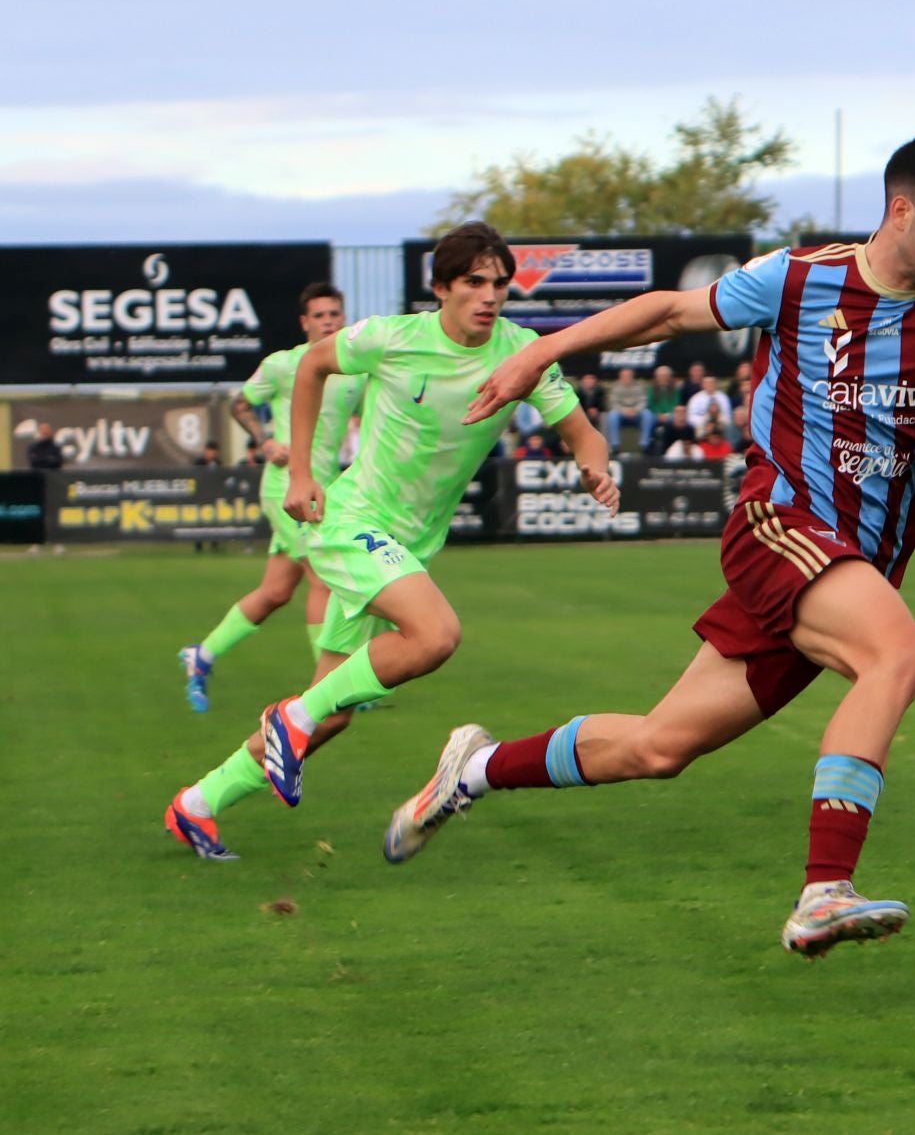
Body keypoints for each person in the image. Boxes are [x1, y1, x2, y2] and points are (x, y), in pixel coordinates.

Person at [380, 134, 915, 957]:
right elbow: (670, 311)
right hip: (779, 525)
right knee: (898, 655)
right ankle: (825, 889)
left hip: (853, 565)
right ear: (903, 210)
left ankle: (474, 769)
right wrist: (543, 352)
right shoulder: (800, 277)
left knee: (660, 744)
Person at [163, 224, 612, 861]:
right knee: (434, 635)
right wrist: (299, 472)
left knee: (333, 709)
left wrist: (596, 465)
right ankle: (288, 719)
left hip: (407, 547)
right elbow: (313, 365)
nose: (489, 296)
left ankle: (198, 803)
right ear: (441, 289)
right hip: (352, 523)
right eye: (474, 283)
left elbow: (583, 433)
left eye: (500, 285)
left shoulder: (522, 353)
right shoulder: (393, 337)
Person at [176, 283, 366, 713]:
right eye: (319, 315)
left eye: (335, 313)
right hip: (287, 486)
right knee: (324, 577)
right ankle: (331, 686)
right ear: (305, 323)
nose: (329, 321)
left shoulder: (356, 372)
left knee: (275, 592)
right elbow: (240, 403)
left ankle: (200, 656)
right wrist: (265, 442)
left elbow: (371, 421)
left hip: (327, 489)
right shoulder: (284, 365)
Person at [603, 367, 647, 453]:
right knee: (612, 415)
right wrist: (624, 411)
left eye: (629, 376)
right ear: (620, 377)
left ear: (632, 377)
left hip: (636, 414)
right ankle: (615, 445)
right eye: (624, 376)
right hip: (621, 414)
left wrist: (635, 410)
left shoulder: (639, 387)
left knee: (647, 414)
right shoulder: (615, 388)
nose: (627, 378)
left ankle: (644, 444)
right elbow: (613, 403)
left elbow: (643, 401)